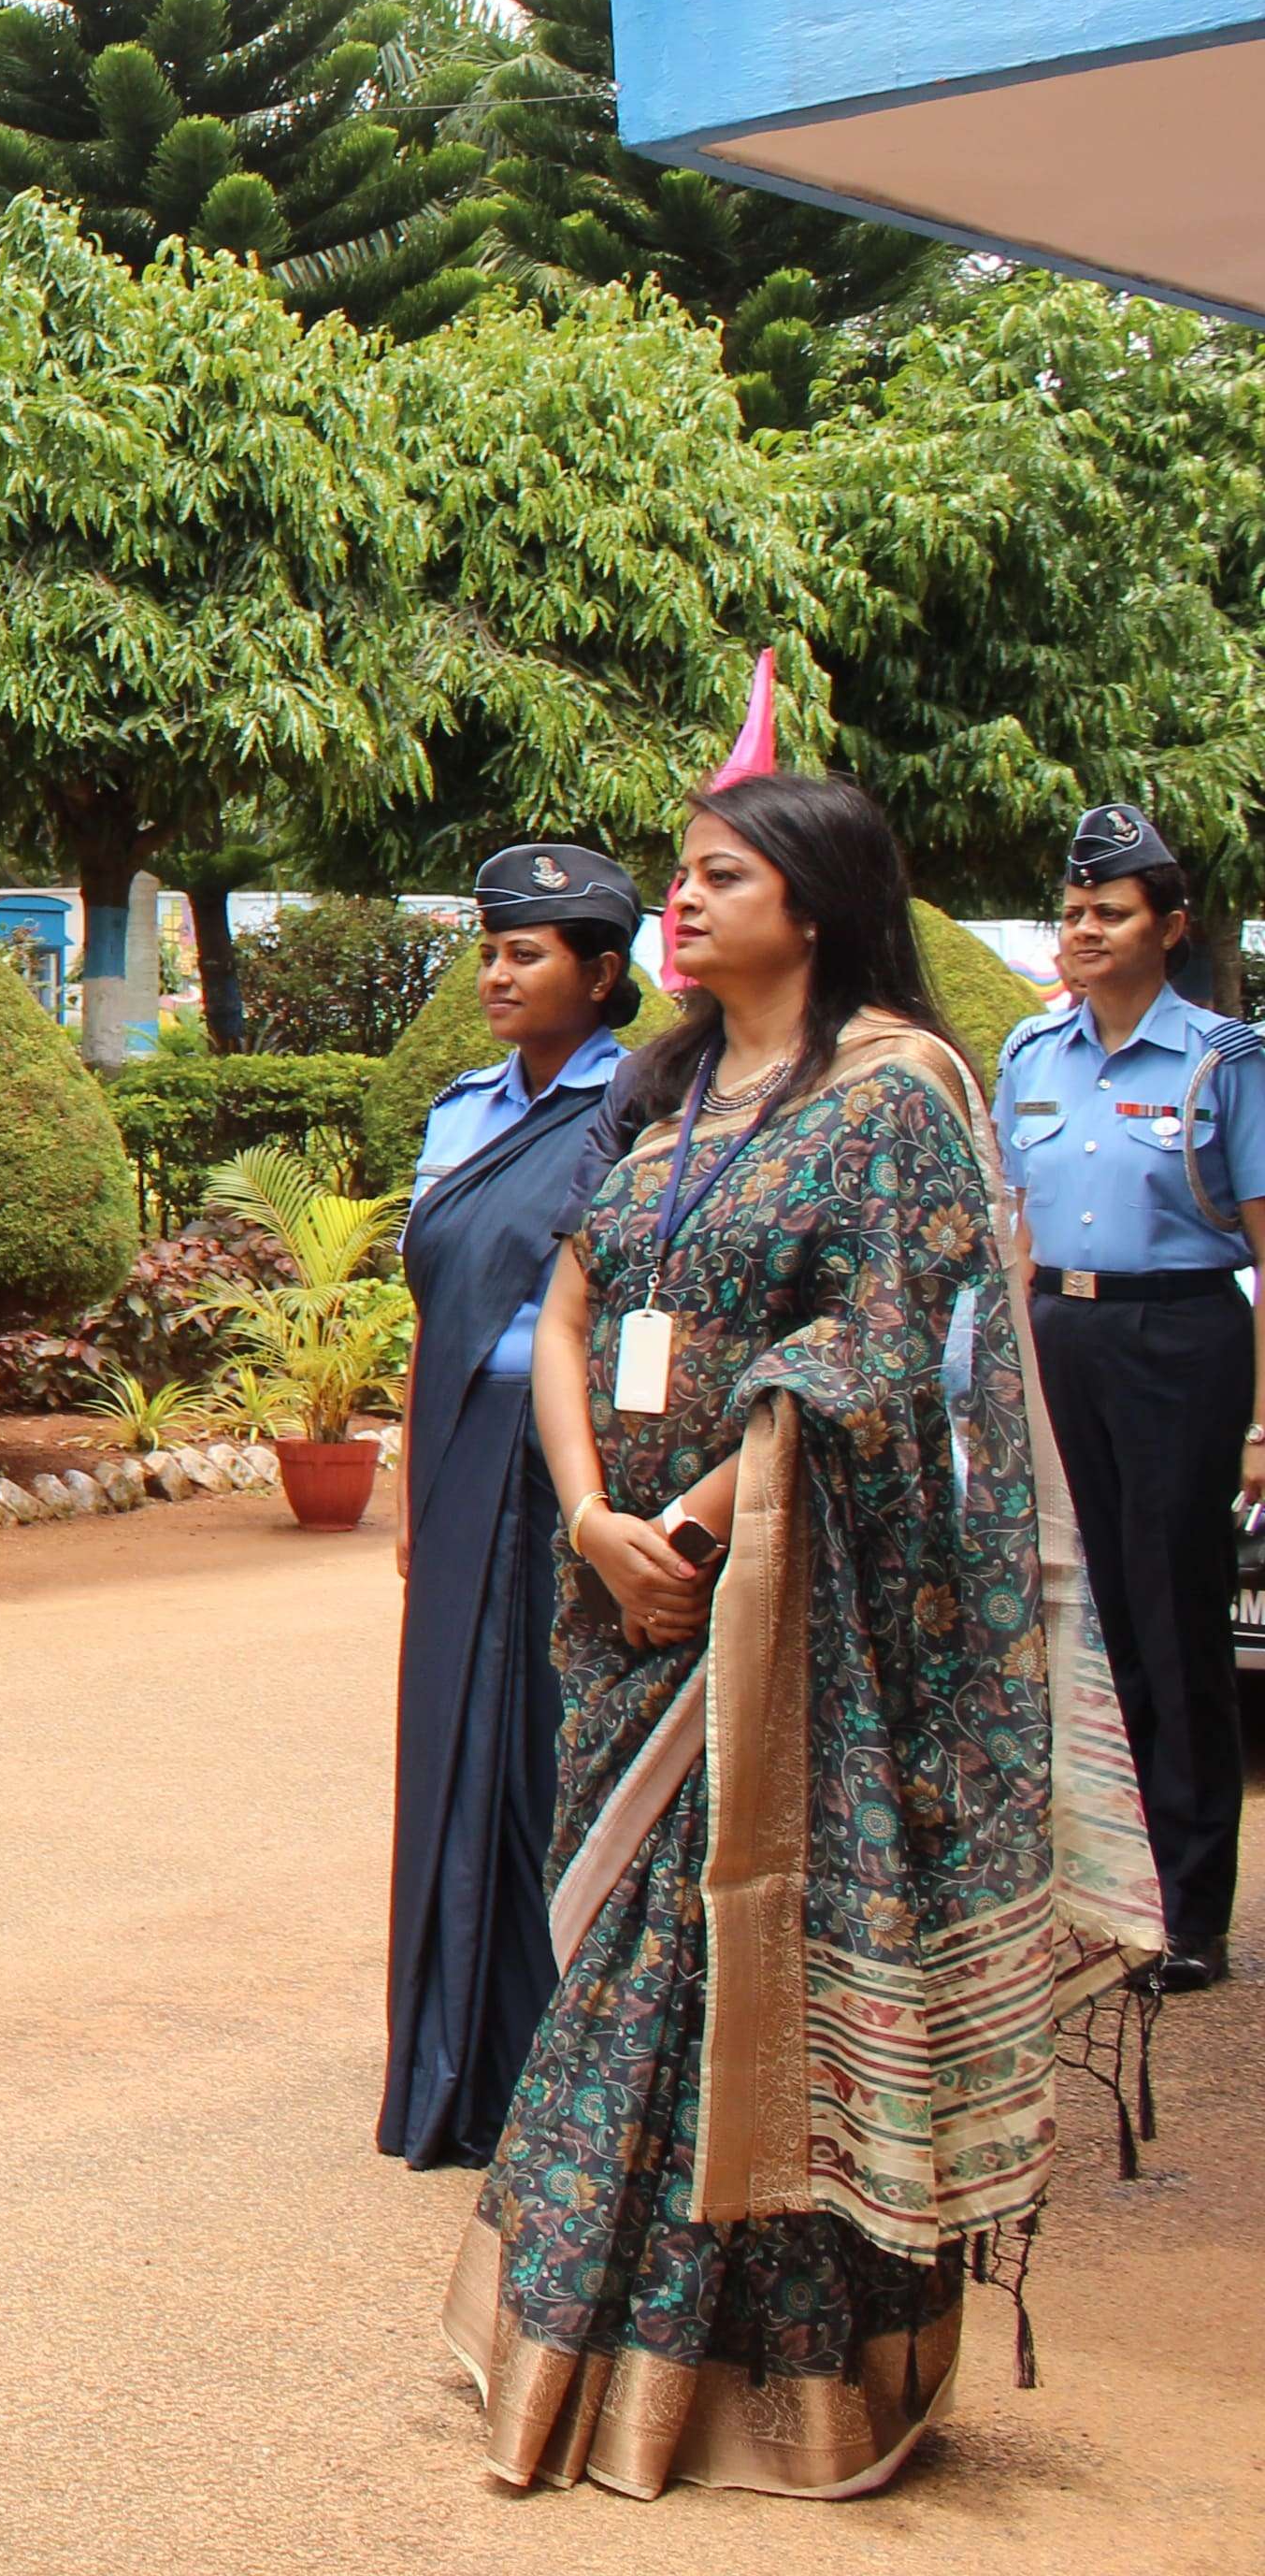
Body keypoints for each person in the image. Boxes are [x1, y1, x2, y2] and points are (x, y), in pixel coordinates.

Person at [455, 773, 1162, 2499]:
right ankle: (579, 2356)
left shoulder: (899, 1090)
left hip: (775, 1614)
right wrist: (585, 1516)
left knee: (712, 1973)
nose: (675, 909)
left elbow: (876, 1346)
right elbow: (566, 1303)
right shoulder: (663, 1085)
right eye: (679, 881)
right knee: (622, 1953)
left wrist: (686, 1525)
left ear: (815, 903)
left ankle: (769, 2387)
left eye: (714, 880)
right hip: (615, 1598)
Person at [381, 842, 644, 2170]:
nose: (495, 971)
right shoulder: (459, 1114)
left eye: (525, 952)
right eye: (488, 948)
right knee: (449, 1756)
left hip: (581, 1459)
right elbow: (435, 1310)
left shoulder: (643, 1110)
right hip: (461, 1444)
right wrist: (413, 1488)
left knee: (556, 1750)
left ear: (602, 976)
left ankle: (560, 2070)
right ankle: (446, 2069)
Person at [993, 802, 1252, 1994]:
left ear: (1171, 926)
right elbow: (1006, 1226)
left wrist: (1261, 1422)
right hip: (1058, 1334)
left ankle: (1187, 1910)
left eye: (1111, 913)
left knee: (1168, 1615)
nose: (1084, 931)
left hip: (1179, 1339)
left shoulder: (1223, 1061)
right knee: (1070, 1615)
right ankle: (1095, 1892)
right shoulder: (1029, 1056)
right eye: (1075, 912)